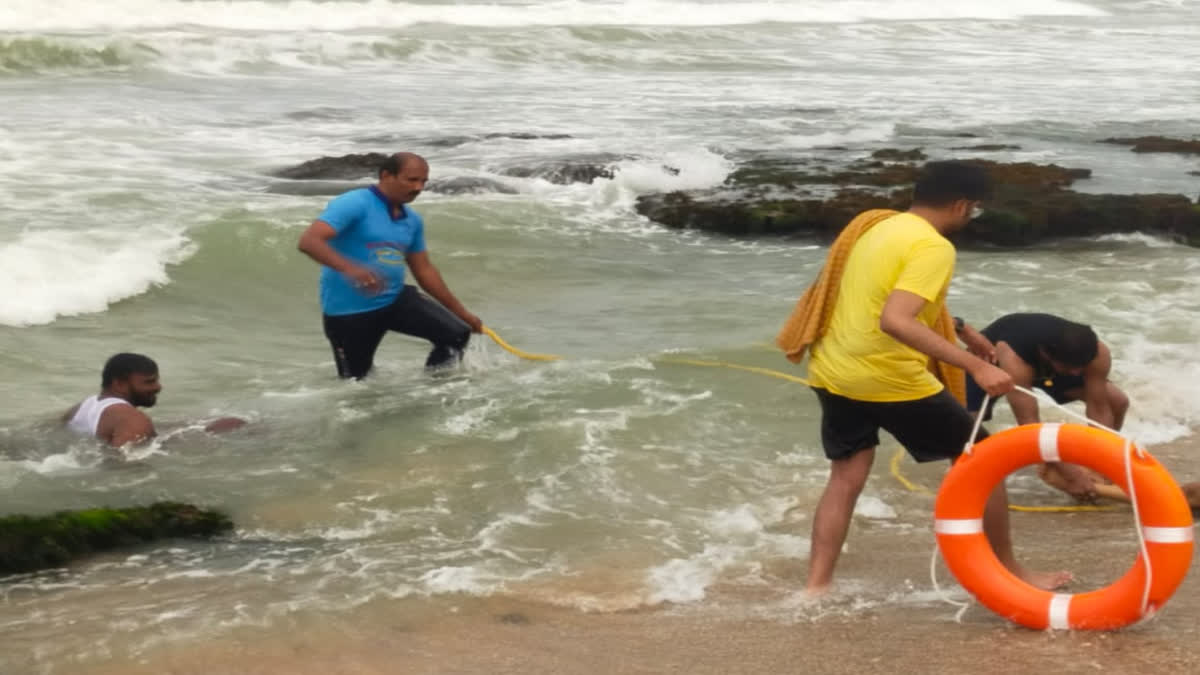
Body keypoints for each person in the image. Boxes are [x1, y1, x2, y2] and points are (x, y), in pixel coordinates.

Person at [778, 161, 1071, 595]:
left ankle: (816, 586)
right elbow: (896, 320)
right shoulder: (935, 248)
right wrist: (975, 365)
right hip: (885, 376)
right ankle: (1011, 571)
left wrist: (962, 330)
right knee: (984, 460)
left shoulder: (878, 228)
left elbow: (887, 296)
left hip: (834, 368)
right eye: (975, 210)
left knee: (845, 478)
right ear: (961, 205)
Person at [297, 152, 482, 379]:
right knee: (356, 383)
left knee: (456, 334)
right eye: (412, 179)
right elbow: (310, 241)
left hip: (395, 300)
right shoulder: (355, 203)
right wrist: (352, 270)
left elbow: (424, 271)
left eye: (423, 181)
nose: (418, 188)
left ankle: (434, 393)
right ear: (386, 176)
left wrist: (462, 313)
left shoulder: (411, 219)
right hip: (350, 312)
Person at [960, 313, 1130, 502]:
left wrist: (1100, 465)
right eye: (1071, 368)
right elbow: (1029, 426)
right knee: (966, 426)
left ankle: (1094, 467)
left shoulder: (1097, 353)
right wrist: (1072, 475)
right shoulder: (1015, 359)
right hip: (990, 362)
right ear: (1045, 353)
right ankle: (968, 483)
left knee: (1117, 401)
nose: (1076, 373)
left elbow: (1099, 408)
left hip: (1056, 362)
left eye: (1081, 368)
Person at [63, 353, 245, 448]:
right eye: (149, 382)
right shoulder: (132, 419)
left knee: (218, 423)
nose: (158, 387)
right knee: (235, 424)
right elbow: (124, 469)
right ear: (118, 383)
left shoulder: (81, 407)